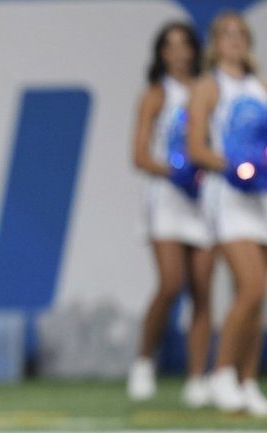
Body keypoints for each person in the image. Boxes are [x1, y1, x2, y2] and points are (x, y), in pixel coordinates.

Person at [126, 22, 214, 407]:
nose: (178, 52)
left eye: (185, 45)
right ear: (161, 53)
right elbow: (140, 155)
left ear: (194, 50)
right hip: (167, 197)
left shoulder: (208, 91)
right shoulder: (157, 94)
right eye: (170, 45)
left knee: (204, 289)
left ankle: (198, 378)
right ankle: (144, 360)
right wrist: (177, 170)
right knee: (171, 283)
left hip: (206, 198)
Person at [187, 11, 267, 416]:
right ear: (215, 42)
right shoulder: (207, 86)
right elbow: (195, 147)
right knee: (251, 286)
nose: (234, 40)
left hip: (260, 200)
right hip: (227, 198)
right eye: (227, 34)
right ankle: (220, 373)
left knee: (258, 296)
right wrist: (233, 166)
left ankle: (247, 380)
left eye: (240, 34)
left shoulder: (259, 85)